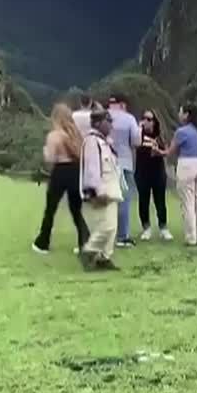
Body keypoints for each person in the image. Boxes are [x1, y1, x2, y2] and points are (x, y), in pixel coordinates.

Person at [32, 103, 91, 255]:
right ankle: (85, 241)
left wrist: (45, 151)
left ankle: (43, 242)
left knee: (50, 209)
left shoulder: (54, 135)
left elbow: (50, 158)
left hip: (60, 171)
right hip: (75, 171)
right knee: (76, 210)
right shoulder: (75, 135)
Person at [78, 108, 123, 271]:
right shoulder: (92, 142)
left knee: (112, 228)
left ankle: (104, 258)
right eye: (107, 121)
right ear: (97, 123)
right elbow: (92, 168)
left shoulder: (105, 142)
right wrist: (94, 192)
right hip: (101, 192)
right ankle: (89, 251)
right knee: (106, 227)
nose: (110, 125)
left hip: (111, 190)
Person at [169, 104, 197, 246]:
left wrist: (159, 151)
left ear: (186, 115)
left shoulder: (181, 132)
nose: (179, 114)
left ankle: (191, 237)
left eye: (180, 111)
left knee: (188, 203)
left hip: (187, 165)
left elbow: (170, 151)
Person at [107, 94, 142, 248]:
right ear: (123, 104)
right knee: (123, 199)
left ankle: (105, 234)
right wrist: (139, 129)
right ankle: (122, 236)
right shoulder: (128, 118)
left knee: (106, 199)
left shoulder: (103, 117)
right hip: (124, 162)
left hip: (105, 162)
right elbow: (136, 141)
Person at [135, 109, 173, 241]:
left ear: (155, 122)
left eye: (149, 119)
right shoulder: (138, 134)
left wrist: (159, 152)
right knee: (143, 201)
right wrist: (138, 130)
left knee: (160, 201)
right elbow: (133, 145)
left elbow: (167, 151)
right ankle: (146, 228)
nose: (146, 121)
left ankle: (163, 228)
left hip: (158, 172)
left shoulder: (160, 135)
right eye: (144, 118)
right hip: (142, 171)